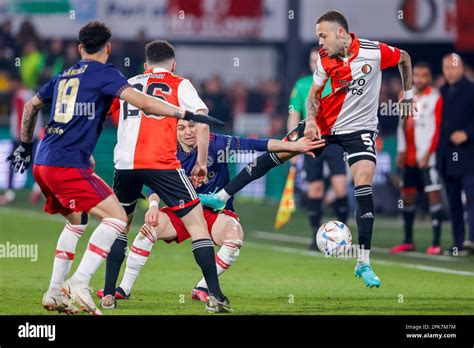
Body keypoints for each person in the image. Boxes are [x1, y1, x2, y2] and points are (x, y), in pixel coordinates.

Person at [6, 21, 222, 316]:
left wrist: (24, 146)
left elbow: (33, 107)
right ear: (108, 48)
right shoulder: (115, 76)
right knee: (129, 219)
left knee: (79, 221)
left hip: (51, 160)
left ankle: (69, 292)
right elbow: (146, 105)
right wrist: (182, 115)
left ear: (80, 48)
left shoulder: (66, 74)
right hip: (104, 163)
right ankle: (80, 284)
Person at [200, 10, 415, 288]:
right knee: (278, 152)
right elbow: (314, 94)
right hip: (323, 125)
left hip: (359, 131)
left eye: (322, 35)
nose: (320, 42)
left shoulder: (374, 52)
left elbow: (405, 58)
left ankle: (363, 261)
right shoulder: (325, 59)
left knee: (364, 186)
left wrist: (407, 96)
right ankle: (221, 196)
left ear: (341, 33)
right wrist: (311, 120)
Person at [97, 119, 322, 305]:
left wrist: (292, 147)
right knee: (148, 229)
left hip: (216, 213)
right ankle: (123, 289)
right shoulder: (167, 150)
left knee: (234, 240)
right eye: (182, 128)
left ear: (201, 128)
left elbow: (257, 145)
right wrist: (154, 206)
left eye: (192, 126)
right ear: (173, 130)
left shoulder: (217, 143)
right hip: (182, 210)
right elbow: (154, 185)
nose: (188, 132)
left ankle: (203, 288)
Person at [288, 47, 348, 250]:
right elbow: (294, 114)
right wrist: (293, 145)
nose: (315, 64)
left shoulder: (336, 82)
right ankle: (315, 236)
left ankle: (344, 234)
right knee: (315, 189)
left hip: (334, 140)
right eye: (313, 61)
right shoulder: (302, 84)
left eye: (318, 61)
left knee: (340, 187)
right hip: (311, 141)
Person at [391, 62, 444, 255]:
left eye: (424, 75)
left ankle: (436, 243)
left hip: (426, 158)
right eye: (417, 75)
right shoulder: (405, 96)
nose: (420, 78)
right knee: (407, 197)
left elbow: (437, 129)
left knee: (433, 196)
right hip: (409, 157)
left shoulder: (435, 97)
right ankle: (407, 241)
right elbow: (402, 125)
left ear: (429, 78)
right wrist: (401, 150)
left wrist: (429, 153)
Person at [437, 53, 474, 256]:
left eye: (454, 67)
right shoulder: (441, 91)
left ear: (461, 68)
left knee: (472, 200)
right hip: (447, 157)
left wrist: (467, 133)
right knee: (453, 203)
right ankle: (458, 243)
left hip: (469, 156)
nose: (451, 72)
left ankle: (471, 240)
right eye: (447, 68)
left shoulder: (471, 90)